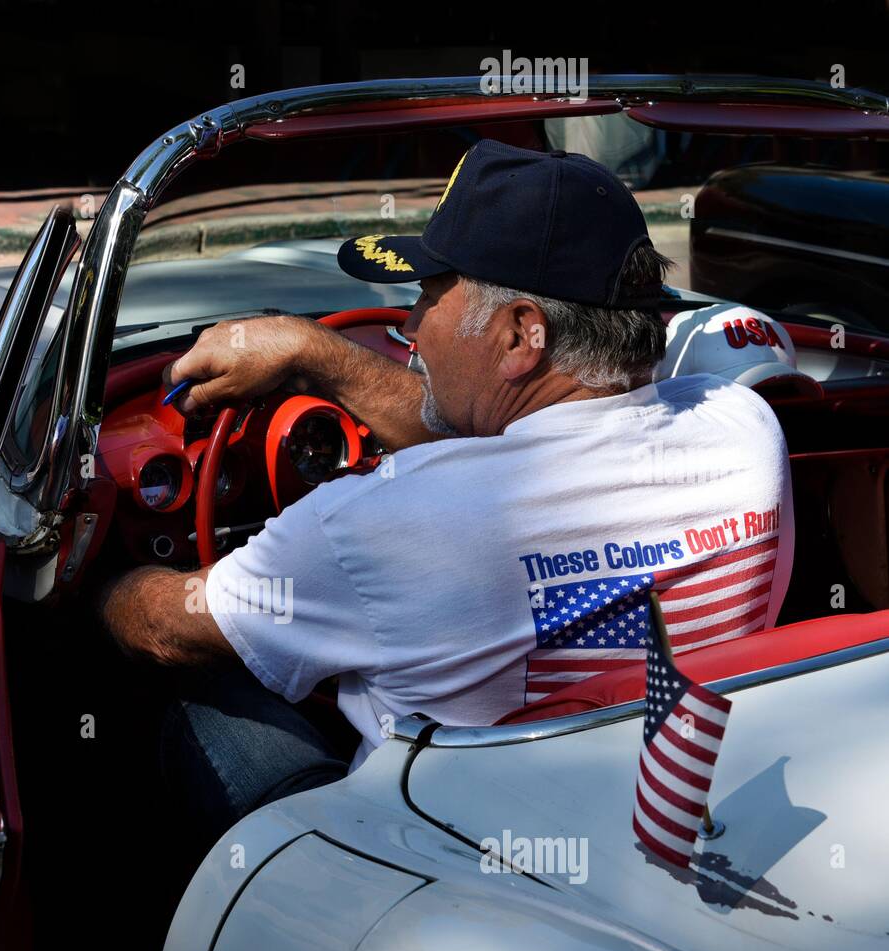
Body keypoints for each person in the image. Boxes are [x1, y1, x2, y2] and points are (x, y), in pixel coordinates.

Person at [97, 140, 794, 843]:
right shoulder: (744, 433)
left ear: (524, 333)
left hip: (430, 868)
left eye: (430, 297)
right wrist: (318, 357)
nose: (408, 328)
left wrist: (98, 583)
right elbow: (526, 446)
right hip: (662, 820)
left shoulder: (374, 525)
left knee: (203, 694)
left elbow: (163, 630)